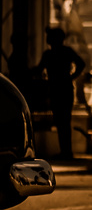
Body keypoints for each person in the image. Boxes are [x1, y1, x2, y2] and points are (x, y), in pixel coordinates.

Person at [36, 27, 86, 160]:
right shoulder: (66, 52)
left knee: (60, 121)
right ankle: (66, 151)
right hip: (65, 89)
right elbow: (81, 64)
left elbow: (38, 70)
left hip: (56, 90)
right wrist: (71, 77)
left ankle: (66, 152)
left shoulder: (49, 54)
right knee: (64, 121)